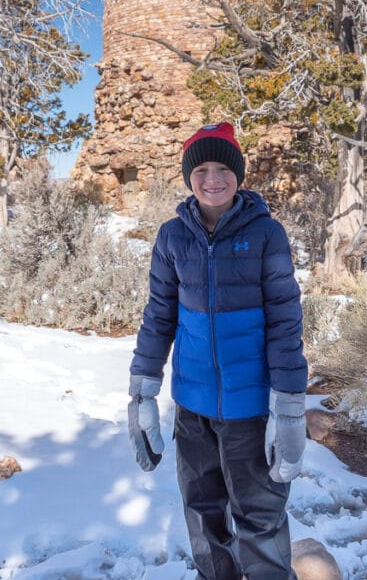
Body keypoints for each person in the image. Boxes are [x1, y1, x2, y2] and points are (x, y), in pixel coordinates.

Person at [128, 122, 307, 580]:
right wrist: (143, 392)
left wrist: (288, 408)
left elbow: (286, 322)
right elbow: (159, 315)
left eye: (223, 168)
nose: (213, 179)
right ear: (188, 176)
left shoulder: (267, 234)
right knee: (203, 513)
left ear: (238, 175)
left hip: (250, 408)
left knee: (260, 518)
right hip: (193, 408)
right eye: (201, 169)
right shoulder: (172, 237)